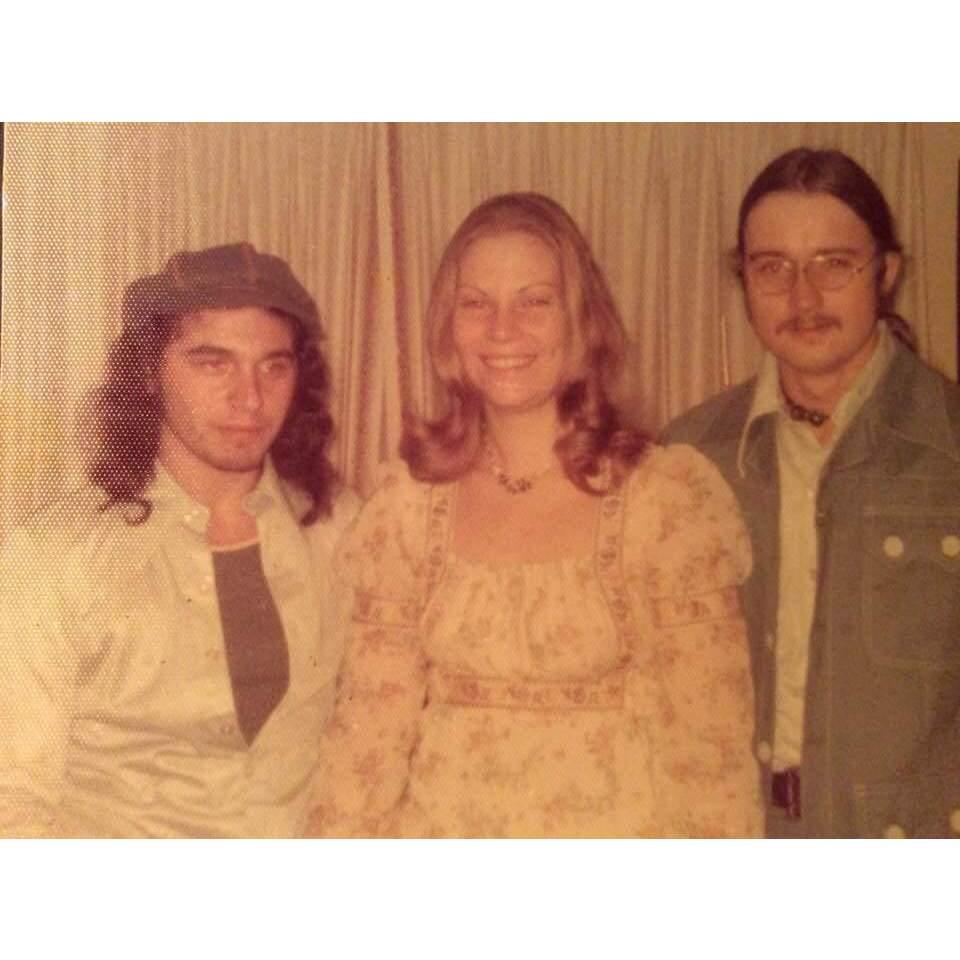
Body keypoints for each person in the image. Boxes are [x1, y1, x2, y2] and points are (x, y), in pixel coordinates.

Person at [308, 192, 761, 838]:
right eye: (476, 303)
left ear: (581, 320)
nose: (502, 329)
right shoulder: (408, 506)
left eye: (534, 300)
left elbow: (710, 759)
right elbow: (366, 746)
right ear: (447, 326)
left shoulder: (664, 504)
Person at [0, 242, 358, 837]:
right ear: (147, 370)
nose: (249, 398)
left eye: (274, 365)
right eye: (213, 363)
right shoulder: (50, 559)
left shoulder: (339, 530)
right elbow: (11, 802)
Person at [664, 147, 960, 838]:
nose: (803, 298)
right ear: (743, 281)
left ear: (886, 273)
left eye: (834, 264)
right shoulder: (688, 460)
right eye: (773, 268)